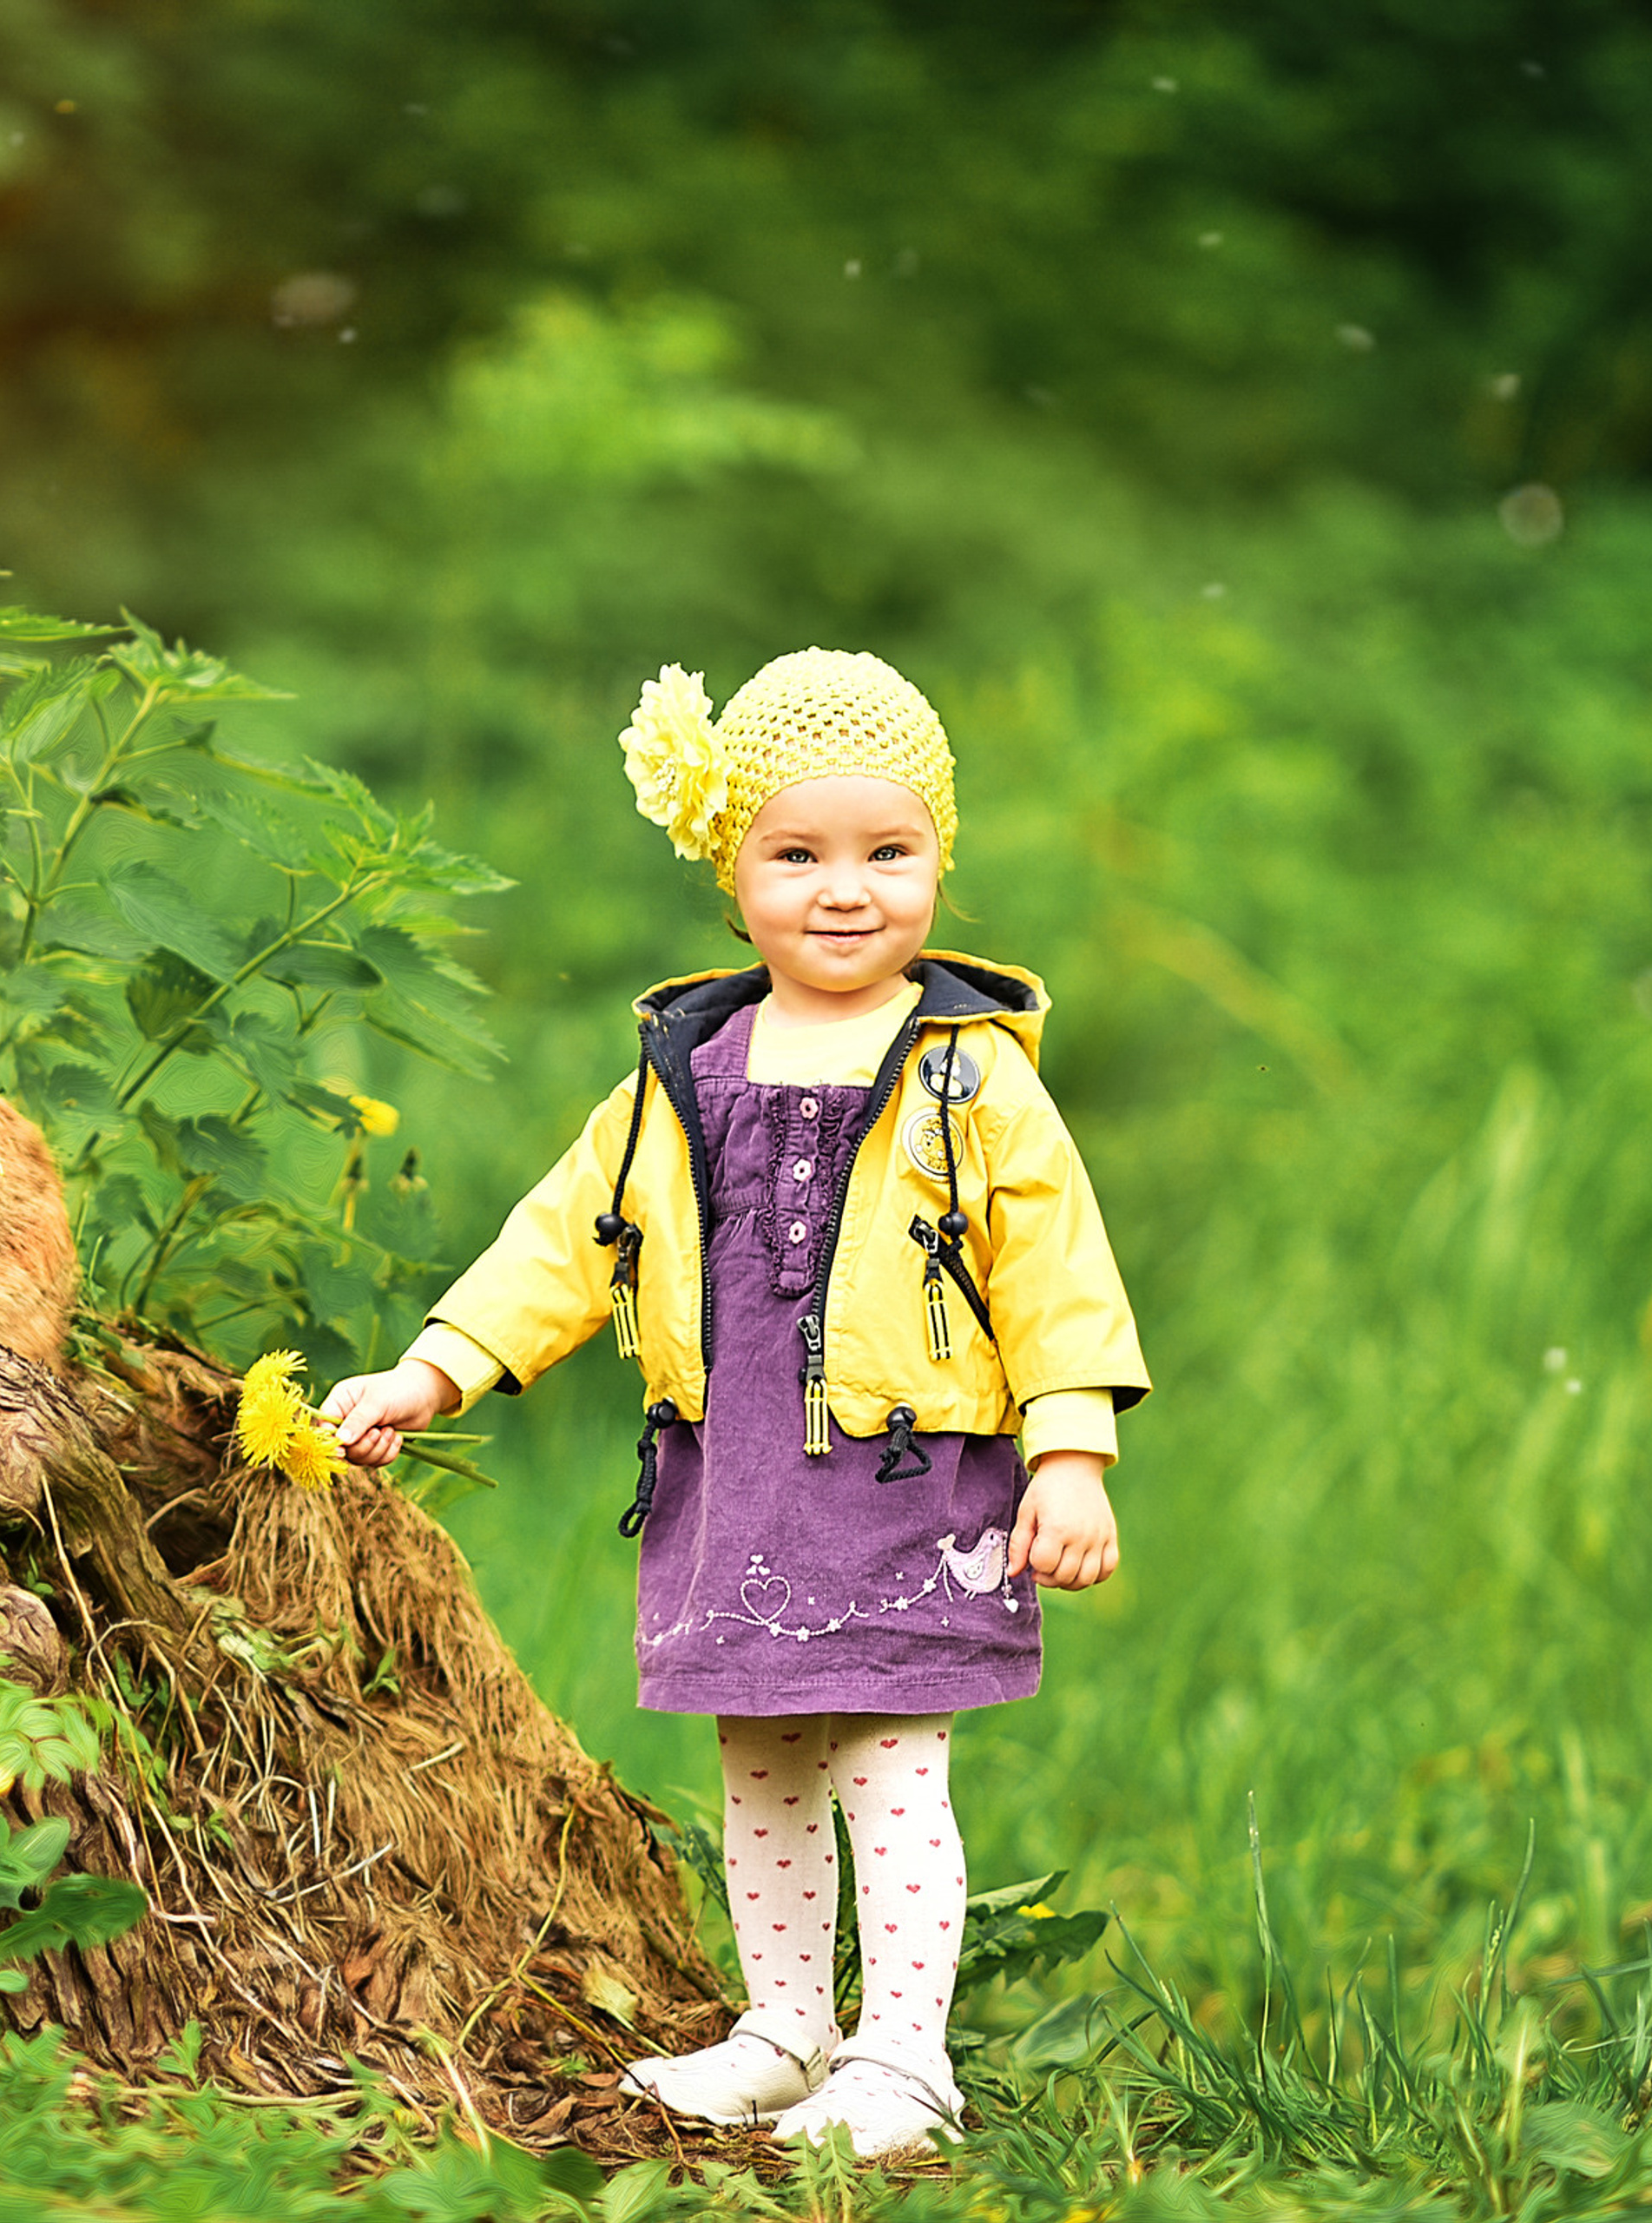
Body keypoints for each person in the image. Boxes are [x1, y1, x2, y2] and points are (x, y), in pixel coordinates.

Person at [323, 649, 1149, 2161]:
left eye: (890, 852)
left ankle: (906, 2058)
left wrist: (1072, 1453)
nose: (848, 891)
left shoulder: (973, 1076)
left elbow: (1058, 1276)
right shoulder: (683, 1069)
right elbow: (563, 1240)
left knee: (889, 1761)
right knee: (762, 1754)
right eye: (799, 854)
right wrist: (433, 1368)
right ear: (733, 872)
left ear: (940, 859)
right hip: (738, 1469)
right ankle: (787, 2028)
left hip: (912, 1480)